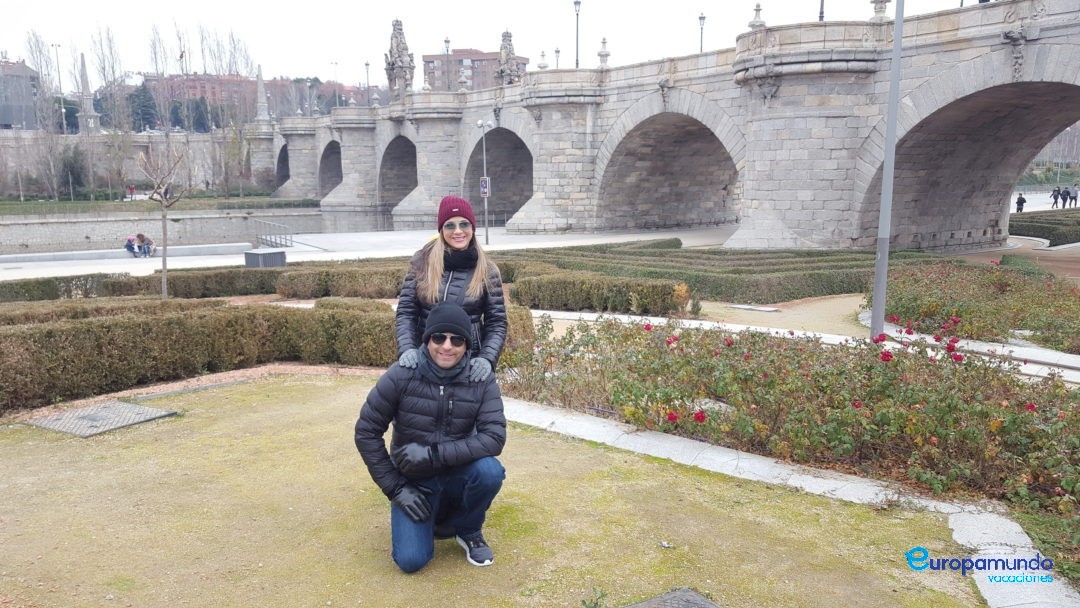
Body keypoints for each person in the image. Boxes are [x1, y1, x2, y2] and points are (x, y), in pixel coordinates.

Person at [355, 303, 506, 572]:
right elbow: (366, 431)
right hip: (415, 482)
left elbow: (494, 438)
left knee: (489, 471)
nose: (447, 346)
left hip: (457, 472)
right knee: (411, 561)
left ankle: (468, 528)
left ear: (466, 345)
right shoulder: (401, 374)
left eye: (456, 339)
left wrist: (434, 453)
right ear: (427, 339)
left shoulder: (481, 380)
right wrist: (396, 488)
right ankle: (434, 519)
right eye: (439, 337)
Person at [395, 195, 507, 384]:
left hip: (470, 365)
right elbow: (406, 312)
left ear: (472, 228)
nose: (458, 231)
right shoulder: (421, 262)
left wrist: (487, 358)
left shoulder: (488, 271)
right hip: (423, 361)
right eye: (450, 225)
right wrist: (407, 349)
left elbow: (497, 322)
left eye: (464, 224)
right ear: (441, 230)